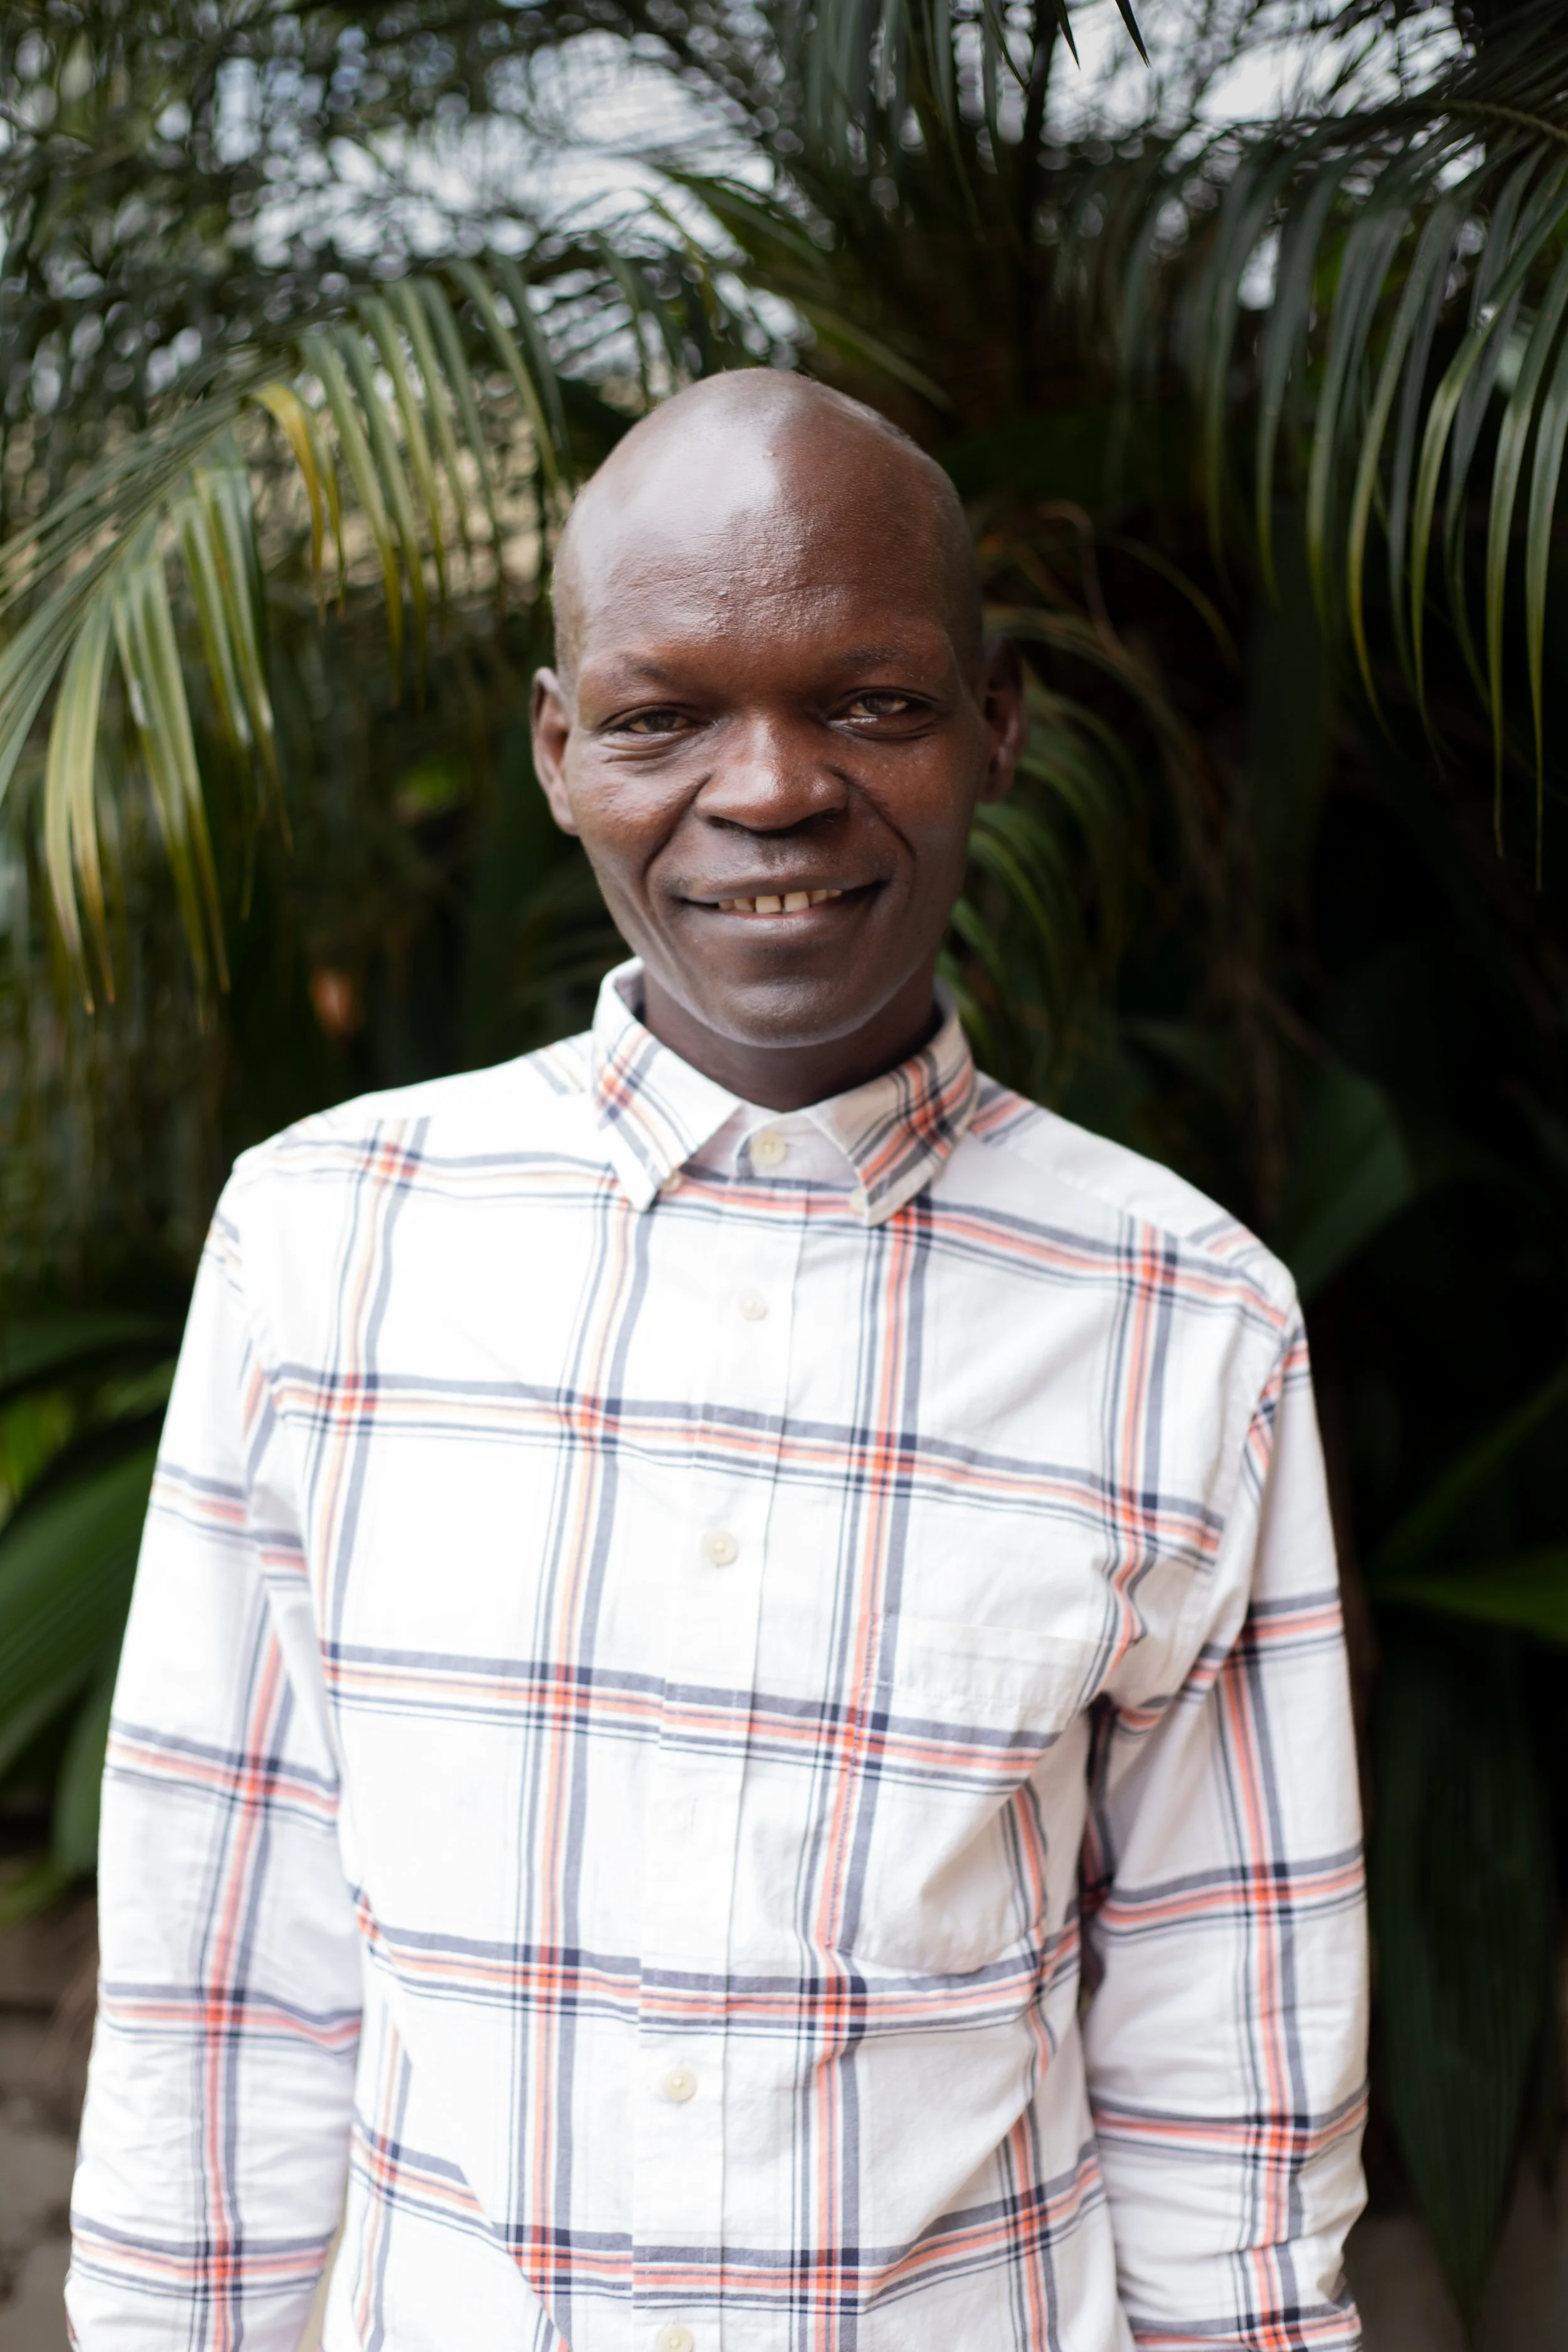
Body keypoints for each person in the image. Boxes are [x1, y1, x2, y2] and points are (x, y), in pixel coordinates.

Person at [67, 371, 1367, 2352]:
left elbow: (1226, 2071)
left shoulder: (1186, 1320)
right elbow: (227, 1973)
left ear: (993, 723)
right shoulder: (328, 1241)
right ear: (559, 750)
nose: (765, 790)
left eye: (868, 700)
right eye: (665, 714)